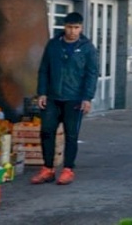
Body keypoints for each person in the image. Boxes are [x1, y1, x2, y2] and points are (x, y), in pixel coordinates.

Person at [30, 11, 98, 186]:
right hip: (52, 97)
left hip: (74, 99)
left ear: (81, 28)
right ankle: (47, 169)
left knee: (71, 134)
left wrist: (87, 98)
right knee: (47, 132)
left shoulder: (87, 47)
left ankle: (68, 169)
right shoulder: (53, 45)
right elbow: (44, 69)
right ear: (64, 27)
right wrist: (42, 92)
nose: (72, 31)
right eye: (69, 27)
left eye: (76, 28)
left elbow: (91, 74)